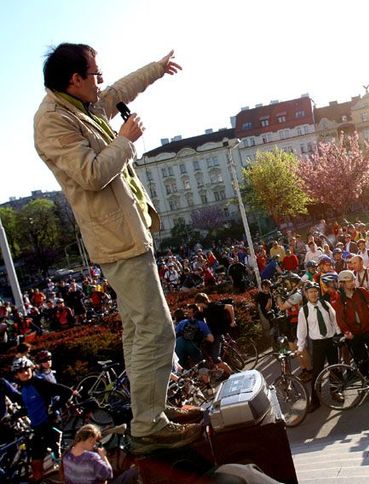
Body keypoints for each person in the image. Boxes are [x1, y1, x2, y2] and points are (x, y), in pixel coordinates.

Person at [34, 44, 201, 453]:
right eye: (95, 73)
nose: (101, 79)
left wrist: (157, 70)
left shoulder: (81, 105)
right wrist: (124, 141)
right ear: (75, 79)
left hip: (126, 235)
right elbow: (91, 174)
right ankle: (149, 426)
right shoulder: (54, 122)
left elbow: (120, 90)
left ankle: (152, 411)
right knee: (158, 330)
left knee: (136, 331)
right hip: (117, 242)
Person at [13, 357, 75, 481]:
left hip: (50, 425)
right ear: (16, 375)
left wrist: (54, 407)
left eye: (26, 369)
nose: (25, 373)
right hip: (37, 428)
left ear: (31, 368)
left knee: (60, 461)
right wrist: (14, 416)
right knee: (36, 463)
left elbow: (67, 392)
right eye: (21, 371)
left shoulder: (40, 383)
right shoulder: (23, 387)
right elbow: (31, 406)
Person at [333, 270, 369, 390]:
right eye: (349, 281)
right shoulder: (340, 299)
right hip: (354, 334)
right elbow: (340, 318)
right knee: (362, 361)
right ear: (342, 283)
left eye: (353, 280)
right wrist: (346, 332)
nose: (353, 283)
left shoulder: (362, 292)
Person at [296, 282, 340, 412]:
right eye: (310, 292)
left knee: (335, 367)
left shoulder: (326, 305)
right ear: (306, 294)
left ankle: (336, 392)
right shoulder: (303, 310)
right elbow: (302, 330)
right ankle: (315, 400)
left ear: (318, 292)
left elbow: (334, 319)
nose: (314, 294)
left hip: (330, 341)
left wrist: (338, 334)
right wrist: (300, 347)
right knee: (316, 372)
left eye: (315, 291)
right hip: (318, 344)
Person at [63, 423, 139, 484]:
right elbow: (109, 475)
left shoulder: (67, 454)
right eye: (94, 442)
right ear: (90, 439)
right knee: (134, 470)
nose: (94, 445)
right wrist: (103, 456)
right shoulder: (92, 458)